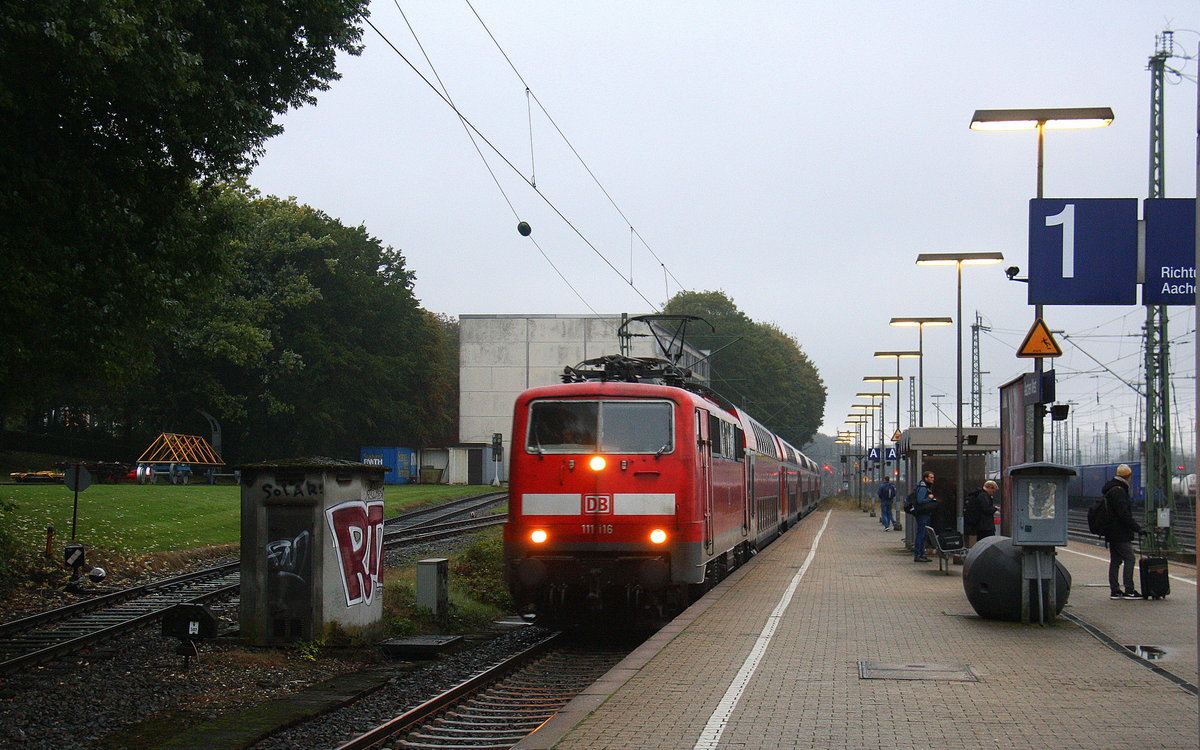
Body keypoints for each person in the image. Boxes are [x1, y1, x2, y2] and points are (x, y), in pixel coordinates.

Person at [1102, 464, 1143, 599]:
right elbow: (1123, 514)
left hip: (1112, 532)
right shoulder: (1119, 491)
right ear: (1128, 476)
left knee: (1116, 560)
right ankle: (1129, 590)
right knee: (1130, 558)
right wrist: (1137, 528)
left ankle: (1115, 590)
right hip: (1119, 532)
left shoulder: (1111, 489)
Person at [963, 480, 1000, 545]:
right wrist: (995, 508)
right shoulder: (983, 496)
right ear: (990, 487)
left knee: (981, 542)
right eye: (993, 490)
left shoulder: (979, 494)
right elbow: (986, 509)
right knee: (988, 542)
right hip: (985, 526)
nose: (993, 493)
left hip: (980, 525)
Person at [912, 470, 936, 562]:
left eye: (933, 477)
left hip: (925, 513)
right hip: (922, 514)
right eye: (931, 477)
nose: (933, 479)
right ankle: (918, 554)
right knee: (921, 534)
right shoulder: (923, 488)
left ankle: (921, 553)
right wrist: (929, 499)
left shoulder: (926, 487)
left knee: (924, 534)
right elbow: (920, 500)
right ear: (926, 478)